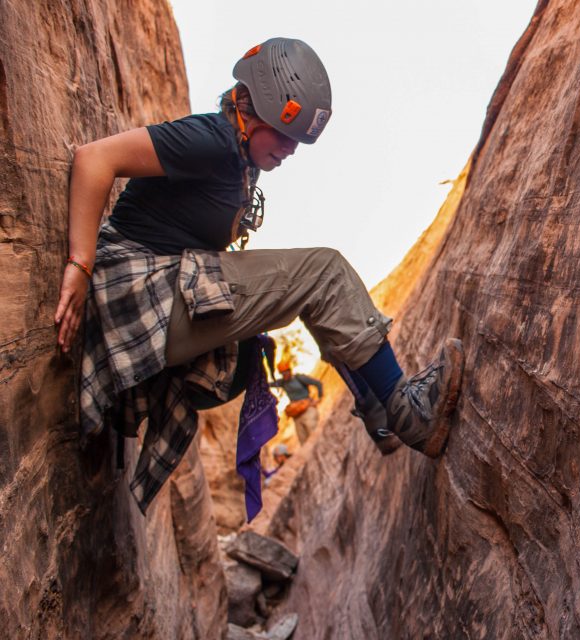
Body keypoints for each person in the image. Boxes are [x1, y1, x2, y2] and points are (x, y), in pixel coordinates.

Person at [54, 37, 463, 515]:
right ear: (247, 106)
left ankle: (379, 413)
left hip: (155, 302)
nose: (290, 149)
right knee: (324, 273)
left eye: (297, 140)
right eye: (283, 133)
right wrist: (80, 266)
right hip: (134, 298)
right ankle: (407, 414)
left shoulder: (242, 160)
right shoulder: (210, 139)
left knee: (301, 300)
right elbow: (93, 159)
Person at [271, 361, 323, 444]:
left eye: (286, 372)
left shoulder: (299, 378)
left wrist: (319, 398)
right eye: (282, 373)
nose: (285, 375)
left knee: (315, 436)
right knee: (304, 441)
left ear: (290, 370)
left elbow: (318, 383)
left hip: (307, 409)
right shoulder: (283, 382)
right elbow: (270, 384)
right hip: (297, 414)